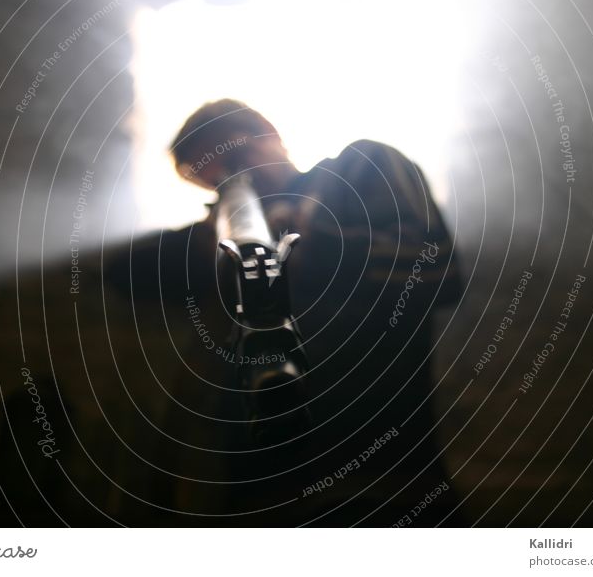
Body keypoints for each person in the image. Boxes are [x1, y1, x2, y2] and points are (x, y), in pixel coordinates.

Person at [112, 99, 463, 525]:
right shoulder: (218, 246)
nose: (236, 181)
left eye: (239, 158)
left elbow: (436, 270)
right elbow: (119, 269)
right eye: (216, 182)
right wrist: (207, 241)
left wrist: (311, 241)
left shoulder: (359, 167)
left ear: (268, 132)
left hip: (380, 491)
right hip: (258, 506)